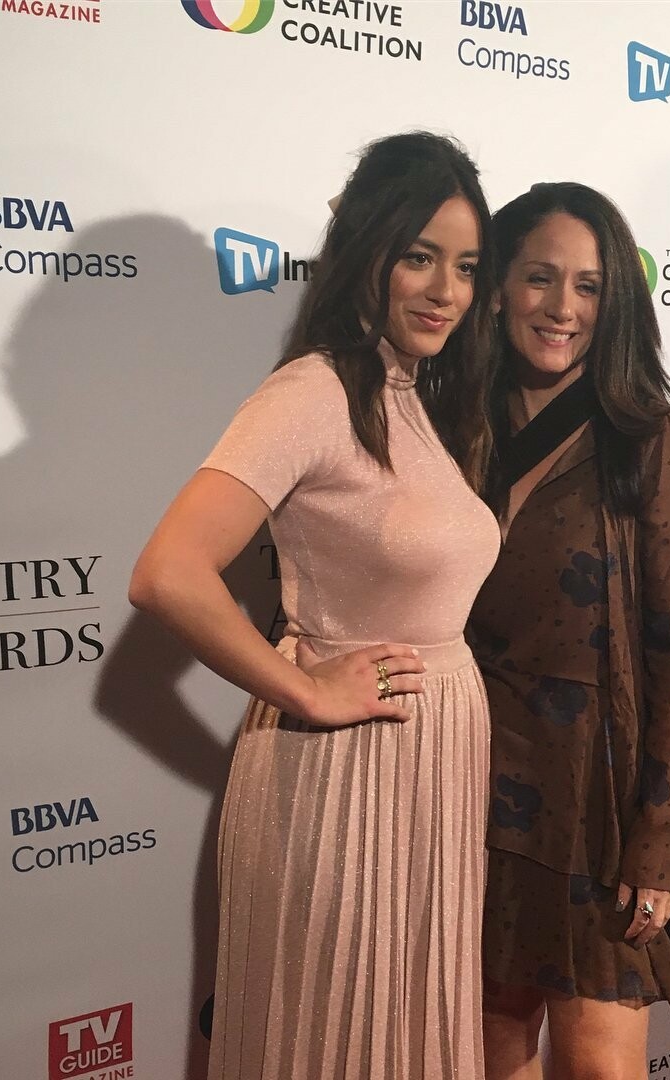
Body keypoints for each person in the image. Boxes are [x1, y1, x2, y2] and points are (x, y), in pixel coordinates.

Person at [128, 131, 501, 1080]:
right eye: (419, 256)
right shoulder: (313, 391)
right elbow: (168, 572)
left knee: (407, 1030)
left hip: (432, 770)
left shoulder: (415, 395)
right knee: (335, 1039)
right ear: (367, 251)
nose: (445, 290)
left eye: (465, 266)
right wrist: (307, 689)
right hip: (342, 773)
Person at [469, 182, 670, 1080]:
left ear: (617, 306)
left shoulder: (650, 439)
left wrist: (661, 833)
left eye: (589, 286)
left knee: (601, 1062)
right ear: (498, 287)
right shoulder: (452, 430)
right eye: (540, 277)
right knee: (489, 1043)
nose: (562, 308)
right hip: (465, 774)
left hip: (594, 793)